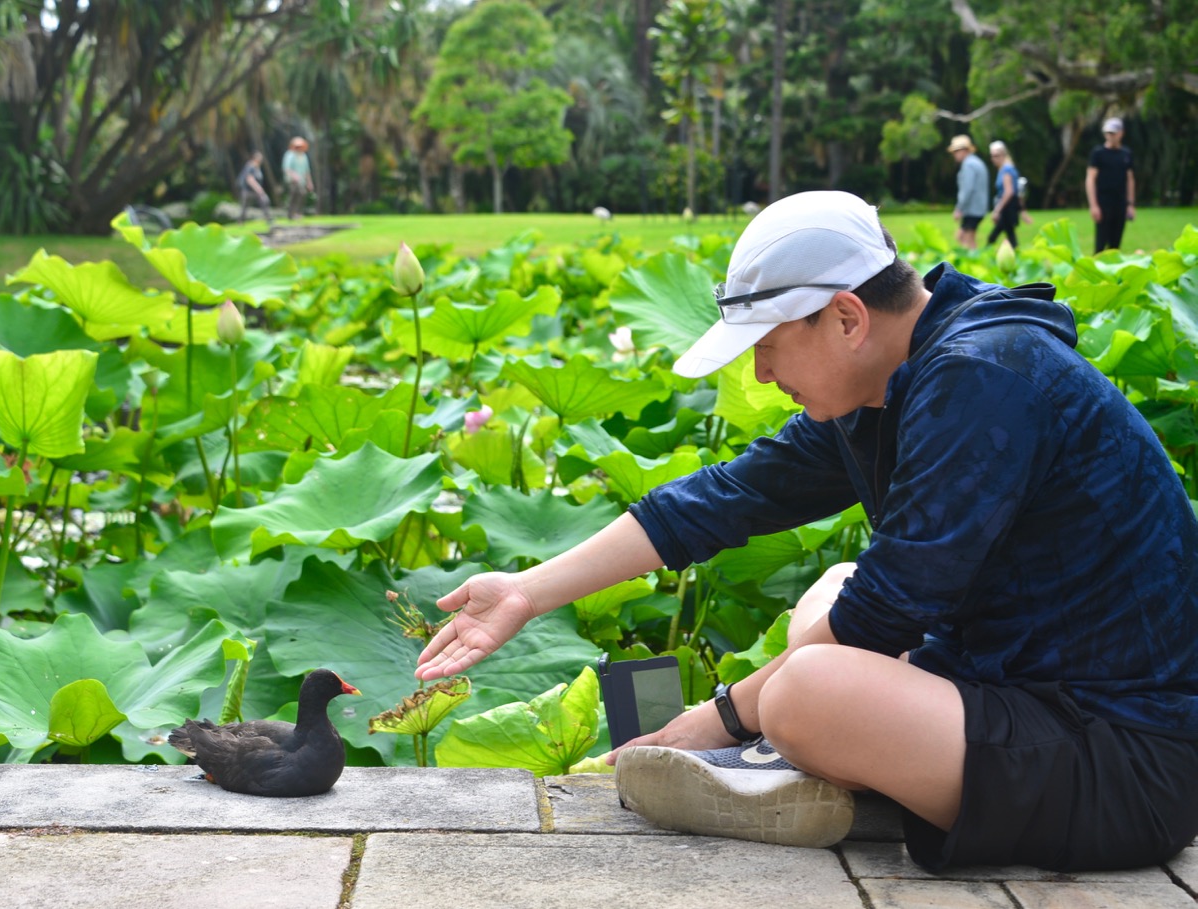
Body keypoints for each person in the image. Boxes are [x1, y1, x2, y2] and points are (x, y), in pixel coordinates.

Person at [414, 190, 1198, 871]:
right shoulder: (899, 377)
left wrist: (717, 716)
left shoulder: (982, 377)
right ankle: (807, 771)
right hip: (1018, 692)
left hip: (1122, 758)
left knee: (805, 689)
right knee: (827, 593)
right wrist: (525, 591)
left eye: (766, 346)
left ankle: (785, 760)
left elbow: (885, 615)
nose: (759, 375)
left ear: (847, 317)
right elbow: (723, 498)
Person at [1086, 117, 1136, 253]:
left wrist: (1130, 204)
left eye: (1113, 133)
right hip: (1103, 203)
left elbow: (1130, 179)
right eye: (1108, 133)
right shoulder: (1098, 154)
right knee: (1100, 245)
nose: (1110, 136)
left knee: (1115, 246)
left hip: (1120, 203)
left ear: (1121, 133)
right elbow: (1090, 179)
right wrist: (1093, 205)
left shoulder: (1126, 154)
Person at [947, 135, 988, 249]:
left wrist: (959, 208)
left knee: (966, 240)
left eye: (956, 151)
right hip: (978, 208)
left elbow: (967, 189)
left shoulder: (968, 165)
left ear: (965, 150)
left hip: (972, 209)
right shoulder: (977, 162)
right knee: (967, 239)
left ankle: (972, 263)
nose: (954, 154)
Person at [984, 140, 1021, 249]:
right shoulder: (1006, 169)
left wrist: (997, 210)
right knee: (1009, 236)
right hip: (1008, 206)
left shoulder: (1006, 170)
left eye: (996, 155)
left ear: (1003, 155)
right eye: (992, 156)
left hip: (1007, 207)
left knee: (997, 236)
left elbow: (1009, 192)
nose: (994, 159)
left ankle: (986, 254)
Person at [282, 136, 314, 221]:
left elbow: (307, 171)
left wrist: (309, 182)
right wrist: (294, 176)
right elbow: (286, 168)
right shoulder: (290, 154)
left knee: (302, 194)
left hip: (301, 181)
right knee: (294, 196)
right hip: (292, 180)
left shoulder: (303, 156)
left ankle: (297, 213)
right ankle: (291, 214)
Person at [237, 150, 271, 224]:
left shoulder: (257, 168)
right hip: (248, 191)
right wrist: (258, 188)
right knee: (244, 207)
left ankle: (268, 218)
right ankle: (241, 221)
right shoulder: (250, 166)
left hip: (254, 191)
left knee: (264, 201)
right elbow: (249, 179)